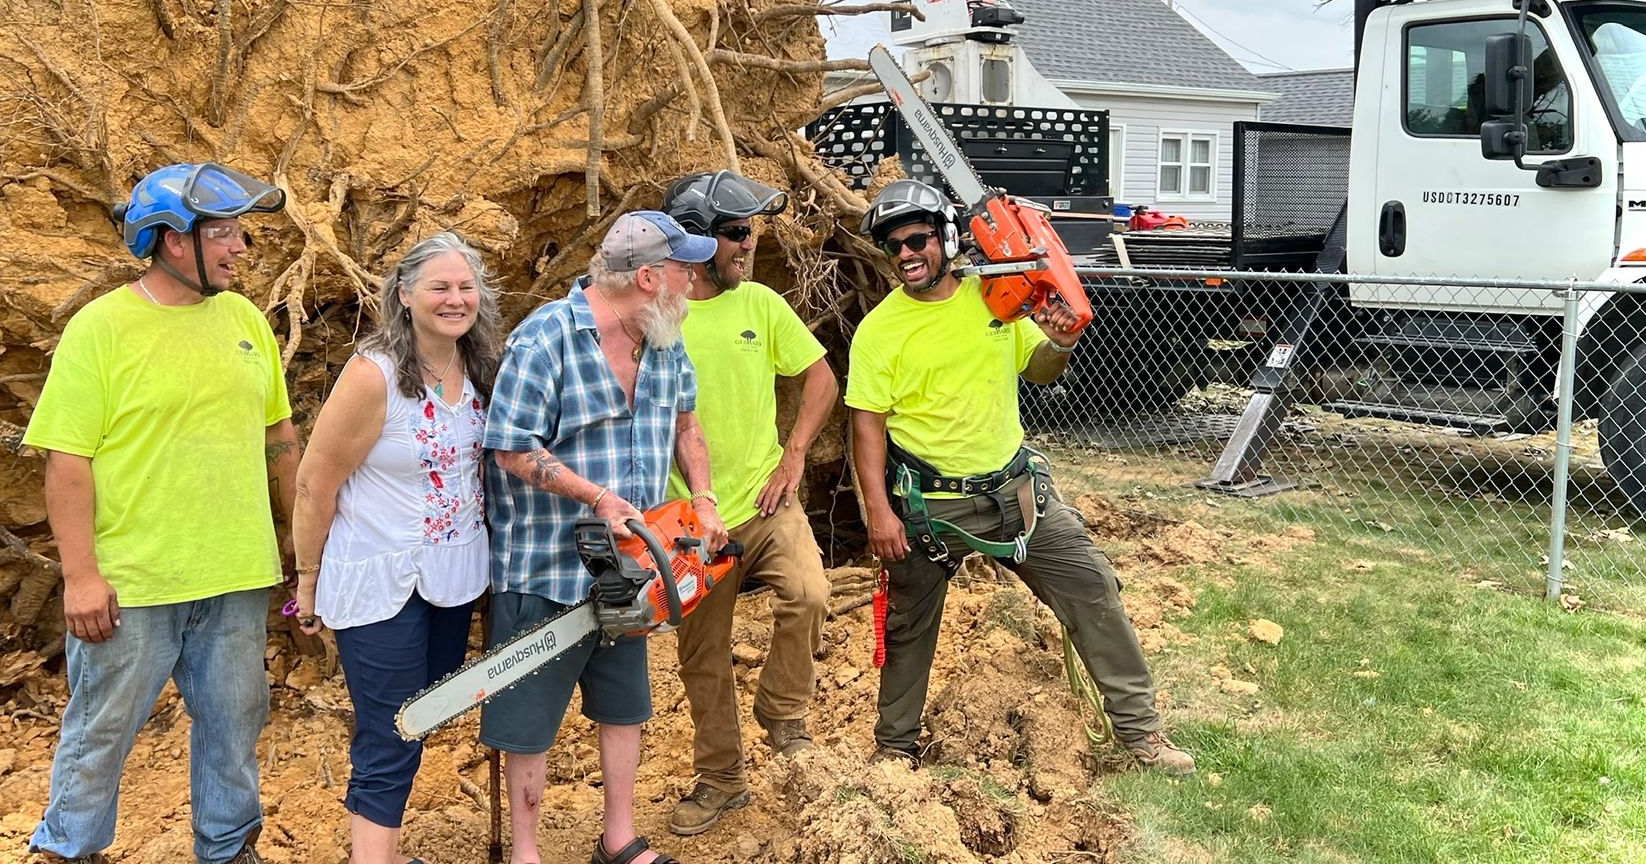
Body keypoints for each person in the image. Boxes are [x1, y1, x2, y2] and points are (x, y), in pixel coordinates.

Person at [845, 179, 1195, 777]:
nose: (906, 254)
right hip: (930, 508)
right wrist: (878, 511)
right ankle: (895, 750)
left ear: (947, 238)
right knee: (908, 628)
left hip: (1017, 494)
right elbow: (866, 427)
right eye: (893, 245)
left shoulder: (995, 298)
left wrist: (1061, 339)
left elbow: (1040, 370)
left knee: (1093, 591)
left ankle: (1143, 737)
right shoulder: (880, 330)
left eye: (918, 239)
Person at [24, 163, 295, 864]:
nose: (241, 248)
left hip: (235, 573)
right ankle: (69, 850)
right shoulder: (102, 329)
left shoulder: (243, 321)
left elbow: (279, 438)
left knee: (235, 724)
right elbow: (67, 461)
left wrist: (299, 536)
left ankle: (230, 849)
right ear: (175, 240)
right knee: (102, 728)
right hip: (134, 581)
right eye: (227, 234)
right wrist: (80, 576)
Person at [479, 210, 727, 864]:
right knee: (528, 723)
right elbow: (509, 448)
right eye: (683, 270)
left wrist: (702, 499)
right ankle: (526, 852)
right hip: (547, 567)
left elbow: (688, 429)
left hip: (633, 572)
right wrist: (594, 495)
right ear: (648, 276)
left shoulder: (665, 341)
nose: (693, 283)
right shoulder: (547, 340)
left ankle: (618, 837)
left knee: (624, 707)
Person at [290, 232, 502, 864]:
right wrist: (306, 583)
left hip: (453, 578)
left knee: (424, 712)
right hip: (379, 579)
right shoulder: (373, 374)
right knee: (392, 731)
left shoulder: (481, 367)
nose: (455, 299)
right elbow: (313, 483)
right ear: (405, 294)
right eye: (439, 287)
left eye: (465, 287)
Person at [657, 172, 839, 836]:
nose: (749, 244)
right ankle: (722, 781)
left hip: (765, 506)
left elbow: (821, 378)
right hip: (685, 521)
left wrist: (793, 457)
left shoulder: (761, 304)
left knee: (810, 593)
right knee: (701, 659)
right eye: (737, 232)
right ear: (700, 242)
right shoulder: (660, 315)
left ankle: (783, 714)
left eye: (751, 231)